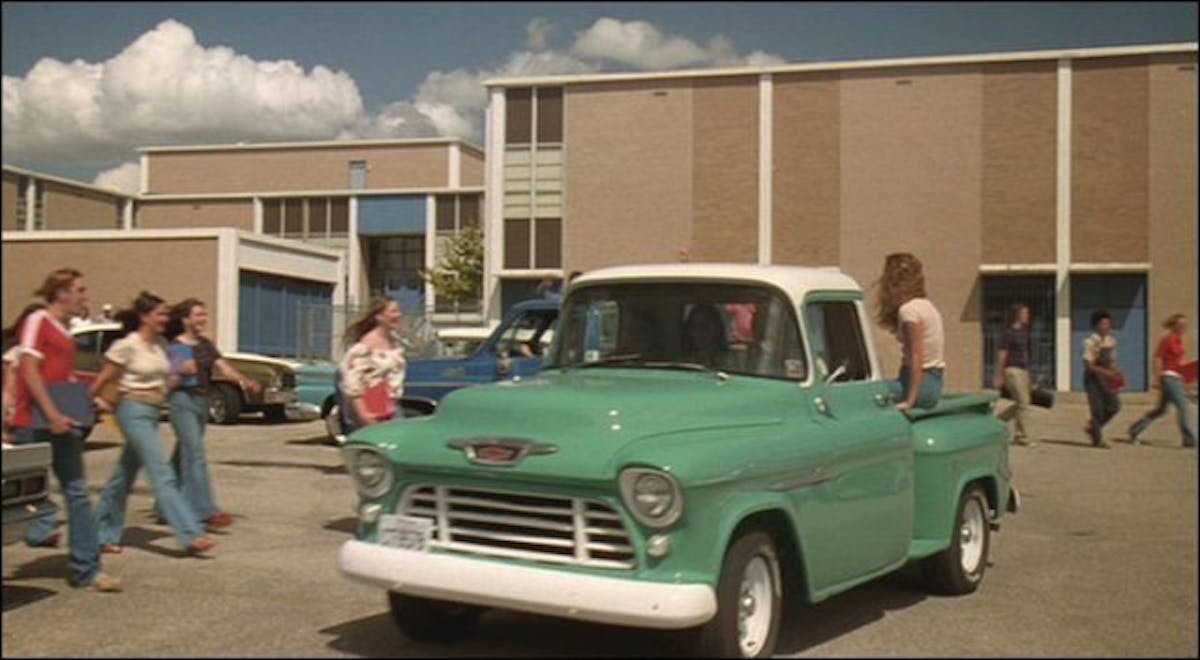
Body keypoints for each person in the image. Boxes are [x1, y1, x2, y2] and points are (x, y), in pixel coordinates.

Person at [8, 269, 121, 592]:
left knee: (77, 492)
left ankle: (87, 568)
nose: (85, 295)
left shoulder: (65, 331)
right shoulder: (38, 320)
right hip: (34, 423)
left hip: (61, 422)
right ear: (60, 292)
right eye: (79, 289)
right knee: (14, 496)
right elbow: (29, 369)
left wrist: (88, 401)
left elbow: (62, 376)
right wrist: (53, 412)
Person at [90, 292, 216, 555]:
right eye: (160, 314)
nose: (165, 318)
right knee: (162, 472)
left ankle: (101, 533)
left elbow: (166, 381)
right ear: (144, 316)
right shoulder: (127, 345)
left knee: (123, 476)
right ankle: (191, 534)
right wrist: (90, 402)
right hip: (132, 411)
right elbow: (104, 380)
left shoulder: (161, 345)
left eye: (166, 314)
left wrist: (178, 375)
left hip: (153, 411)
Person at [152, 298, 261, 529]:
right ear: (185, 320)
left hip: (201, 401)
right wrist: (180, 370)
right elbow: (169, 379)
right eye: (198, 315)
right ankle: (205, 510)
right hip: (182, 402)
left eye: (204, 314)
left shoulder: (206, 345)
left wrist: (245, 381)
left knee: (183, 455)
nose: (203, 319)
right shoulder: (175, 346)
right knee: (195, 454)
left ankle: (164, 506)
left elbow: (224, 368)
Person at [874, 253, 945, 411]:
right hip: (933, 382)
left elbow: (916, 356)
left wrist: (909, 401)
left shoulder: (909, 311)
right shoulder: (926, 305)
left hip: (920, 384)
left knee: (866, 392)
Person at [338, 298, 407, 434]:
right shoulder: (366, 345)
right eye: (393, 311)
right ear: (379, 316)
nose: (398, 315)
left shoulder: (394, 342)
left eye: (399, 311)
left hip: (390, 405)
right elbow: (353, 381)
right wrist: (363, 415)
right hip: (371, 408)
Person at [1129, 314, 1196, 448]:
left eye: (1185, 325)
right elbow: (1157, 358)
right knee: (1183, 406)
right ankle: (1189, 440)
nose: (1184, 327)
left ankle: (1135, 430)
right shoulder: (1167, 339)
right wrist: (1157, 377)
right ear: (1174, 325)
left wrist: (1187, 375)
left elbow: (1180, 361)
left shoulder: (1180, 340)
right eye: (1181, 324)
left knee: (1161, 410)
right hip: (1168, 377)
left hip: (1176, 377)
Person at [994, 303, 1035, 446]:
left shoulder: (1024, 332)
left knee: (1023, 403)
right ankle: (1021, 436)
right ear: (1018, 315)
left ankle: (996, 422)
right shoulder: (1008, 333)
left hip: (1023, 370)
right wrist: (999, 375)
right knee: (1023, 403)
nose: (1027, 316)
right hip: (1012, 370)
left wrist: (1029, 373)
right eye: (1025, 313)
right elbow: (1002, 354)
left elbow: (1026, 354)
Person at [1082, 309, 1122, 449]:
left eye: (1108, 323)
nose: (1107, 326)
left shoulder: (1111, 341)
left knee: (1114, 406)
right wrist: (1106, 372)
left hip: (1107, 379)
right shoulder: (1091, 342)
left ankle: (1093, 427)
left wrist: (1116, 373)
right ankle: (1098, 439)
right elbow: (1088, 365)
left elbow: (1112, 361)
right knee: (1097, 410)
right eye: (1103, 323)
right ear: (1096, 326)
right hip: (1093, 379)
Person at [682, 304, 732, 370]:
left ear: (717, 328)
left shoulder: (731, 364)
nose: (700, 331)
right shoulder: (683, 365)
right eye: (695, 326)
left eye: (705, 325)